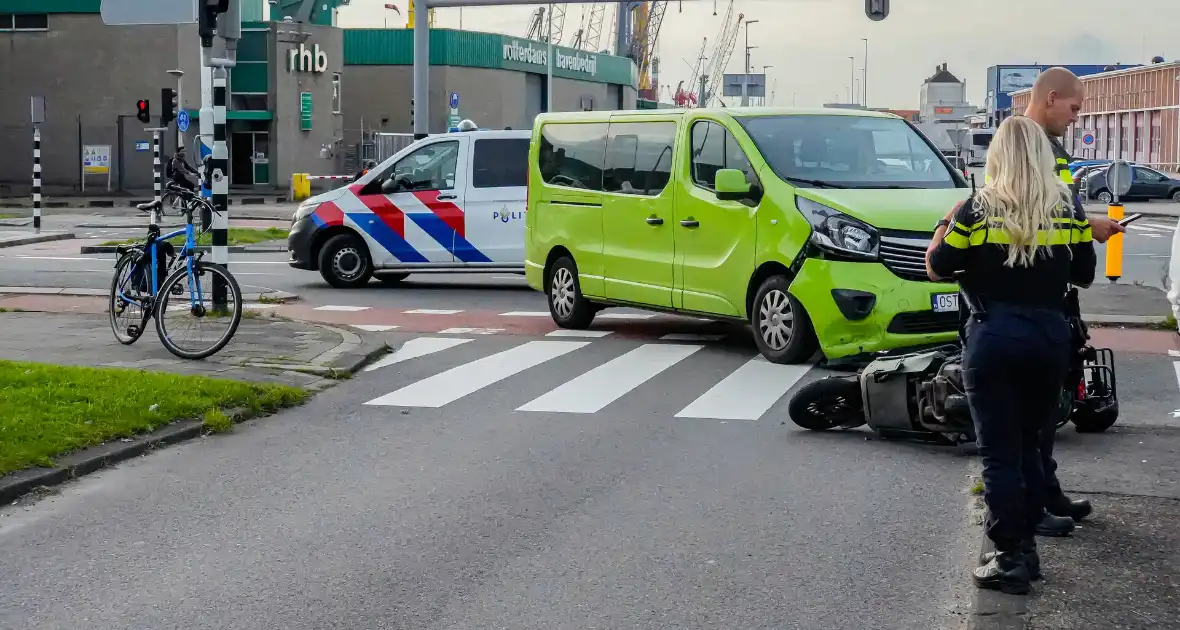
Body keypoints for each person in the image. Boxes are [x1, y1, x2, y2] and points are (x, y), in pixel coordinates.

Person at [925, 115, 1097, 594]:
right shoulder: (1068, 209)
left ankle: (1010, 557)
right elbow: (1083, 273)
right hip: (1048, 340)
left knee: (998, 455)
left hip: (994, 339)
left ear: (996, 156)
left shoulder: (977, 210)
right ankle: (1030, 550)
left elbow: (937, 267)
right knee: (1030, 445)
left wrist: (945, 223)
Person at [1019, 67, 1124, 536]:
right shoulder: (1033, 148)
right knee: (1032, 415)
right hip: (1038, 293)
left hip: (1048, 293)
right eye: (1075, 108)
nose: (1077, 118)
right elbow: (1045, 214)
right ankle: (1032, 507)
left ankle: (1046, 491)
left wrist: (1086, 227)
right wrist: (1089, 231)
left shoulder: (1032, 146)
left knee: (1045, 409)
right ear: (1052, 98)